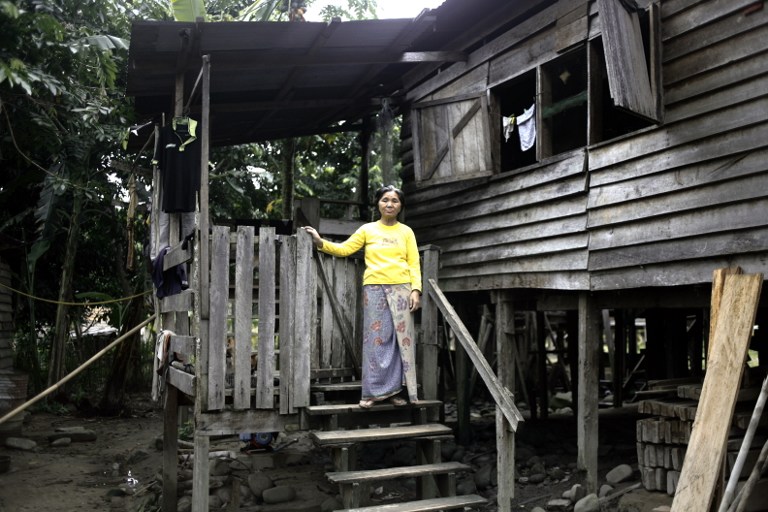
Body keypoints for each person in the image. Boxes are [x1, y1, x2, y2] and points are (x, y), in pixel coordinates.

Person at [303, 185, 422, 408]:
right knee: (374, 341)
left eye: (395, 201)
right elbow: (345, 249)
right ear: (378, 203)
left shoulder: (406, 232)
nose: (389, 204)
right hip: (375, 288)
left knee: (399, 342)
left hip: (401, 290)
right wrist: (321, 242)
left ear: (400, 206)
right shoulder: (368, 230)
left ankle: (394, 391)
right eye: (385, 200)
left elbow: (413, 263)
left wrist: (416, 289)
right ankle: (371, 393)